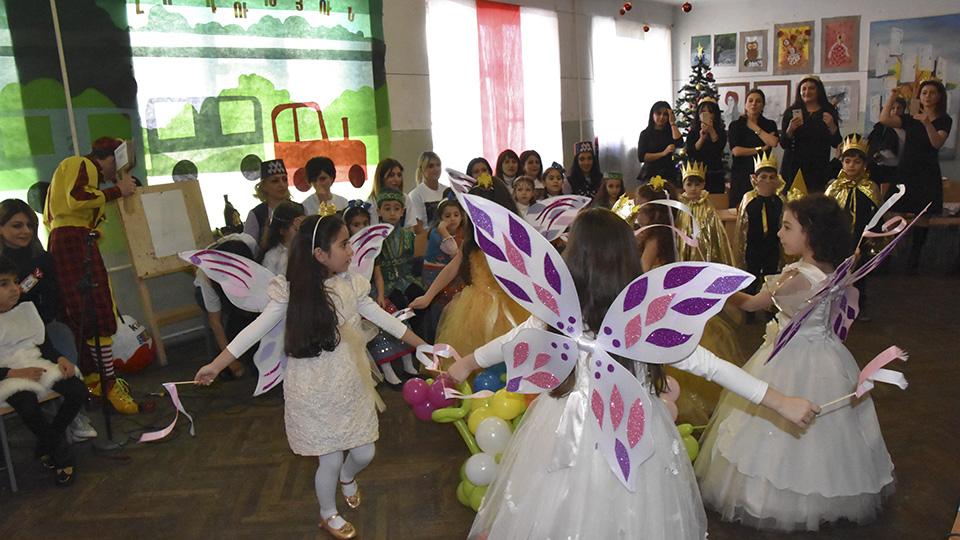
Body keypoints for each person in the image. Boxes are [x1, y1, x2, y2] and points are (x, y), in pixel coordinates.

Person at [445, 208, 818, 540]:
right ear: (627, 258)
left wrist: (466, 363)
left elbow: (513, 340)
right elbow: (710, 366)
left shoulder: (560, 311)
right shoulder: (640, 320)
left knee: (557, 507)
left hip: (565, 426)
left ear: (574, 258)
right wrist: (779, 401)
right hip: (630, 427)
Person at [194, 214, 427, 539]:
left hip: (350, 382)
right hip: (312, 389)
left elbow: (381, 317)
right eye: (344, 244)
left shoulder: (351, 284)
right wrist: (216, 365)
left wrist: (421, 344)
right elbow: (253, 331)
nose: (351, 250)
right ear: (320, 254)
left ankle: (348, 476)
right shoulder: (290, 293)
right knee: (329, 460)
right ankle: (328, 514)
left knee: (365, 452)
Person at [696, 195, 896, 532]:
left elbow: (751, 304)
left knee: (772, 424)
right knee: (834, 433)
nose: (779, 233)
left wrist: (717, 286)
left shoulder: (797, 277)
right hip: (829, 355)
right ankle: (831, 492)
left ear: (811, 233)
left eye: (787, 227)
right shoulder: (837, 268)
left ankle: (778, 498)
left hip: (791, 358)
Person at [44, 137, 138, 414]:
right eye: (115, 166)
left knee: (82, 310)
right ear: (108, 158)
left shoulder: (75, 170)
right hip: (72, 240)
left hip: (69, 240)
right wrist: (117, 191)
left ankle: (97, 381)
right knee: (96, 305)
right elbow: (76, 198)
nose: (112, 175)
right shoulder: (80, 164)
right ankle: (107, 382)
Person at [0, 199, 96, 441]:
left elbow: (54, 295)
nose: (25, 231)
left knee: (63, 340)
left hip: (40, 324)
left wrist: (36, 324)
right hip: (6, 331)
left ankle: (73, 413)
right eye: (17, 225)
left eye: (30, 226)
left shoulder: (42, 259)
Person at [409, 176, 527, 356]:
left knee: (510, 352)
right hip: (475, 306)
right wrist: (428, 296)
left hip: (511, 302)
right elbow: (452, 267)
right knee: (473, 352)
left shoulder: (514, 237)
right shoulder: (473, 239)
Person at [0, 256, 89, 486]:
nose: (14, 289)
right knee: (26, 404)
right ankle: (61, 455)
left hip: (36, 363)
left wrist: (61, 359)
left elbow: (44, 346)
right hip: (6, 374)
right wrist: (13, 373)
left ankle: (46, 444)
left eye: (15, 282)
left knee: (77, 390)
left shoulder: (26, 310)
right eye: (4, 284)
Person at [879, 79, 953, 270]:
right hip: (907, 169)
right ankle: (889, 256)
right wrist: (893, 96)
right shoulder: (910, 118)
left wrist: (927, 123)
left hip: (927, 171)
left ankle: (913, 260)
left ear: (939, 97)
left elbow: (937, 143)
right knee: (895, 210)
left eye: (932, 93)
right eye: (924, 93)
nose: (927, 96)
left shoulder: (944, 119)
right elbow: (884, 119)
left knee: (923, 215)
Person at [370, 189, 422, 386]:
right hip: (385, 284)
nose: (392, 213)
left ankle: (412, 356)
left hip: (406, 279)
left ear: (403, 211)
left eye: (396, 209)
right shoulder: (375, 239)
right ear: (379, 211)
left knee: (418, 303)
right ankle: (392, 362)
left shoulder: (408, 236)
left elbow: (411, 262)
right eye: (387, 209)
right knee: (396, 311)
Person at [736, 152, 787, 293]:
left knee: (771, 278)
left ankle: (768, 303)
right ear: (755, 178)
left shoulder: (779, 200)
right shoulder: (749, 198)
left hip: (772, 246)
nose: (767, 181)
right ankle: (750, 301)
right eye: (763, 177)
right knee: (751, 278)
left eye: (772, 177)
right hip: (753, 247)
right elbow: (742, 227)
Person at [780, 77, 843, 193]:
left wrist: (832, 126)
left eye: (811, 88)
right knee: (793, 200)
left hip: (818, 167)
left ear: (818, 90)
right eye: (803, 89)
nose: (807, 92)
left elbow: (837, 143)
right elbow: (784, 144)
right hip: (793, 167)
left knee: (814, 201)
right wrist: (790, 129)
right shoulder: (791, 112)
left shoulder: (828, 111)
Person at [420, 195, 465, 343]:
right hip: (434, 273)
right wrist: (443, 230)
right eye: (447, 216)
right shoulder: (436, 233)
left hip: (452, 271)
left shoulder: (462, 232)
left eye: (456, 215)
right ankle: (437, 336)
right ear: (440, 219)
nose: (452, 219)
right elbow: (453, 251)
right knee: (440, 304)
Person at [676, 161, 736, 267]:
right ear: (683, 185)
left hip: (703, 247)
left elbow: (715, 230)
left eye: (697, 184)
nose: (693, 188)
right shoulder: (680, 206)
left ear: (703, 185)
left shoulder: (707, 206)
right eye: (689, 184)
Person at [728, 89, 780, 209]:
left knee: (764, 210)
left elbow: (773, 142)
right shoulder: (736, 125)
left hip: (764, 176)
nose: (754, 104)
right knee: (740, 210)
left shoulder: (769, 124)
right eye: (750, 101)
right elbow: (736, 151)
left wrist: (754, 127)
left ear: (763, 106)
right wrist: (761, 149)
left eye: (758, 101)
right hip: (741, 174)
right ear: (745, 104)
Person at [244, 159, 293, 251]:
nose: (282, 184)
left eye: (284, 179)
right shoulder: (257, 214)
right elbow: (248, 249)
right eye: (275, 181)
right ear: (264, 186)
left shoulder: (300, 209)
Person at [685, 97, 728, 194]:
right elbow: (691, 152)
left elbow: (719, 148)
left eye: (710, 112)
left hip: (715, 173)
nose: (707, 114)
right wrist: (702, 138)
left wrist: (711, 130)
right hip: (697, 174)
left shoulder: (720, 131)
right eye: (703, 111)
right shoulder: (693, 132)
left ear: (715, 114)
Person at [866, 96, 907, 191]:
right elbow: (872, 146)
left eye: (899, 108)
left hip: (900, 169)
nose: (895, 111)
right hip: (880, 169)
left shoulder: (908, 128)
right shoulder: (880, 127)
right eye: (892, 108)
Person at [637, 101, 683, 184]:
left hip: (669, 173)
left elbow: (679, 143)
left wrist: (672, 123)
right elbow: (642, 157)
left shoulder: (671, 132)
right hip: (650, 174)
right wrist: (663, 153)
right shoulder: (645, 134)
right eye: (658, 113)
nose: (662, 117)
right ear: (652, 115)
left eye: (665, 114)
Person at [260, 201, 306, 276]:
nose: (301, 233)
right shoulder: (273, 258)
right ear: (282, 230)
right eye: (296, 229)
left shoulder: (307, 252)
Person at [405, 151, 445, 233]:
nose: (436, 169)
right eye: (431, 166)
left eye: (438, 165)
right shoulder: (415, 195)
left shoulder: (446, 190)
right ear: (422, 169)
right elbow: (419, 226)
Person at [367, 158, 405, 225]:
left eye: (399, 175)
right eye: (391, 175)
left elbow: (410, 227)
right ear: (381, 178)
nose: (396, 179)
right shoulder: (371, 203)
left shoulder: (405, 198)